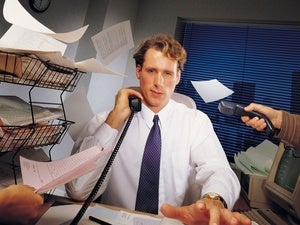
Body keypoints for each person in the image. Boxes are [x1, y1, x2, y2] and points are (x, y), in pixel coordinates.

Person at [66, 34, 251, 225]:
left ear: (178, 77)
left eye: (168, 73)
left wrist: (214, 199)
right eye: (151, 71)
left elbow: (217, 169)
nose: (159, 82)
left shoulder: (195, 122)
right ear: (138, 71)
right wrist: (114, 120)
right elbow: (78, 190)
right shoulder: (105, 121)